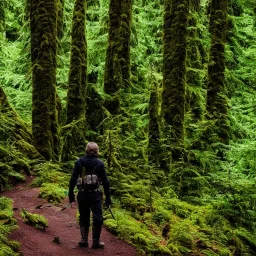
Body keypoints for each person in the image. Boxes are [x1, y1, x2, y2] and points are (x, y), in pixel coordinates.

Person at [68, 142, 111, 249]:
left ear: (86, 151)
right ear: (97, 151)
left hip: (82, 194)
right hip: (95, 195)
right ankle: (96, 242)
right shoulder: (100, 164)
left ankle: (84, 240)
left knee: (84, 216)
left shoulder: (79, 162)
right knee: (98, 218)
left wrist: (71, 195)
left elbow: (73, 179)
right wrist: (108, 199)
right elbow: (105, 182)